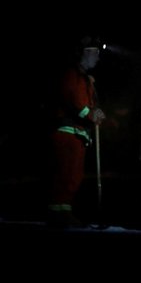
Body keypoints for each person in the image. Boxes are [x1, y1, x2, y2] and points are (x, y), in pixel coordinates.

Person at [47, 36, 105, 227]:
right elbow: (76, 102)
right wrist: (91, 115)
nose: (97, 58)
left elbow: (87, 105)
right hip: (67, 132)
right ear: (84, 54)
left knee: (73, 175)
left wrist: (95, 113)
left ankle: (64, 212)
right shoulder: (72, 75)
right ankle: (58, 214)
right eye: (94, 54)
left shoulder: (84, 78)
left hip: (77, 132)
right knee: (65, 174)